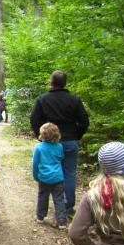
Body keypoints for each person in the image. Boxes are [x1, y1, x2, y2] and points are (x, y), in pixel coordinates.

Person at [30, 70, 90, 217]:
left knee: (48, 170)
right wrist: (76, 135)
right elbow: (84, 121)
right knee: (69, 174)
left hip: (49, 143)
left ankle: (44, 209)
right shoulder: (74, 99)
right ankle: (67, 208)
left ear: (51, 82)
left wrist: (41, 137)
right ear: (65, 83)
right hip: (70, 141)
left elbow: (34, 119)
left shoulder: (42, 99)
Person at [32, 123, 66, 229]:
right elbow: (61, 157)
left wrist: (35, 176)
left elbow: (35, 163)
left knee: (43, 197)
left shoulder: (38, 147)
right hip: (58, 177)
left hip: (44, 178)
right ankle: (61, 222)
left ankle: (40, 217)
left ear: (42, 134)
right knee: (59, 199)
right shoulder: (59, 146)